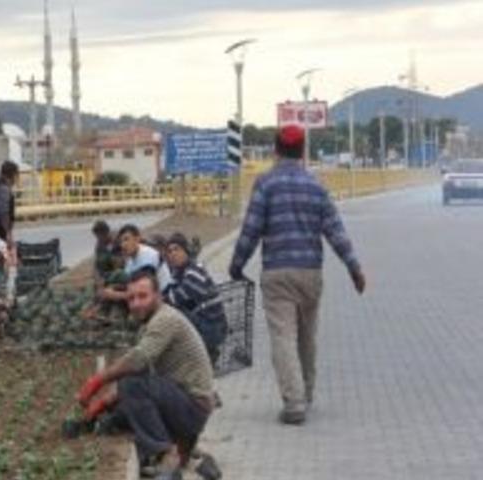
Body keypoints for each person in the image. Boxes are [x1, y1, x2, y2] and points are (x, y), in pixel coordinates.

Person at [229, 125, 367, 425]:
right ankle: (306, 392)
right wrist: (354, 267)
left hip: (278, 273)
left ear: (276, 150)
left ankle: (294, 403)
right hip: (310, 272)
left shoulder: (265, 184)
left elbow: (251, 229)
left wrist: (236, 265)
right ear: (303, 150)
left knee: (283, 336)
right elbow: (335, 230)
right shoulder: (316, 185)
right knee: (307, 335)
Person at [75, 270, 220, 480]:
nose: (135, 303)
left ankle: (167, 457)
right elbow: (144, 370)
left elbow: (138, 360)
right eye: (131, 298)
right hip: (183, 402)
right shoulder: (151, 323)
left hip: (193, 407)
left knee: (131, 386)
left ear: (158, 296)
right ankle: (188, 454)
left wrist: (98, 380)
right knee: (122, 408)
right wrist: (103, 403)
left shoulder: (166, 319)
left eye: (143, 296)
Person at [163, 233, 227, 366]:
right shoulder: (179, 272)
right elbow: (169, 290)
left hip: (214, 329)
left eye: (177, 249)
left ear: (185, 250)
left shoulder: (193, 272)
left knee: (175, 312)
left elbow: (173, 299)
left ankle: (207, 350)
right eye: (169, 251)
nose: (173, 254)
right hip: (206, 323)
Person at [100, 224, 171, 303]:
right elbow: (129, 282)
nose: (123, 245)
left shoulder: (148, 257)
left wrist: (116, 295)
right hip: (148, 295)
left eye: (126, 239)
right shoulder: (131, 259)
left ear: (137, 239)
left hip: (163, 297)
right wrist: (113, 288)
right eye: (121, 242)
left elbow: (143, 291)